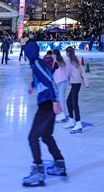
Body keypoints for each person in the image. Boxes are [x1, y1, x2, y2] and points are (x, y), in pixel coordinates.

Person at [23, 40, 66, 186]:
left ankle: (38, 172)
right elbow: (41, 77)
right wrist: (33, 86)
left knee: (33, 137)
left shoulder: (36, 63)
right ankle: (59, 164)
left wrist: (55, 101)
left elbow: (49, 80)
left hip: (47, 104)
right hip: (48, 102)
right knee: (46, 136)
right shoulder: (37, 63)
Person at [63, 45, 89, 133]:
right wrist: (86, 83)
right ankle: (71, 120)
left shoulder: (69, 61)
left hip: (74, 83)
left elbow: (67, 72)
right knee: (69, 101)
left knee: (74, 103)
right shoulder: (77, 60)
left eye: (66, 52)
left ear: (68, 53)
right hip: (78, 83)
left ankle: (78, 122)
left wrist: (65, 81)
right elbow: (83, 72)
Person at [51, 49, 68, 122]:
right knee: (60, 98)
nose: (52, 55)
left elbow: (51, 71)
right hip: (60, 82)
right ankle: (61, 113)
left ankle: (63, 114)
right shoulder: (59, 60)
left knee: (61, 98)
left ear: (55, 54)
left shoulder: (57, 62)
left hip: (61, 82)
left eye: (53, 54)